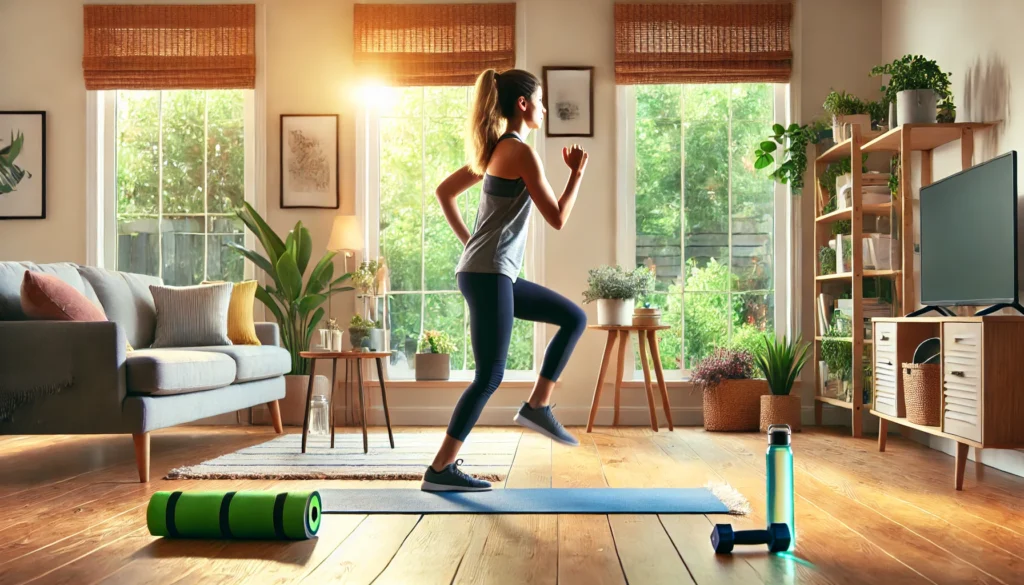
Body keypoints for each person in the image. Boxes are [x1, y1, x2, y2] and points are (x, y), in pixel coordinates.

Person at [421, 68, 590, 492]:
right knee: (489, 377)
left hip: (490, 273)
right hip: (488, 274)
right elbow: (557, 218)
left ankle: (537, 404)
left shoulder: (495, 150)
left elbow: (444, 192)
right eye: (541, 101)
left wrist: (471, 246)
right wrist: (576, 176)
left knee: (572, 318)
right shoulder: (519, 153)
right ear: (523, 104)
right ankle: (440, 470)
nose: (545, 109)